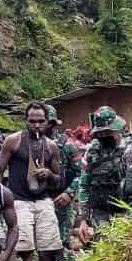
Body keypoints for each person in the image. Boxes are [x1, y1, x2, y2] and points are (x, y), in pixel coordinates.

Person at [0, 102, 63, 261]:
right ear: (25, 120)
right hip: (19, 202)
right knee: (25, 252)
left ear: (47, 122)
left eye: (41, 121)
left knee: (46, 252)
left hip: (44, 202)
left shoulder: (52, 147)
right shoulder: (13, 141)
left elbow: (58, 180)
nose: (36, 125)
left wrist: (49, 174)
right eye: (32, 121)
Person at [76, 107, 127, 241]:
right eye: (101, 133)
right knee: (104, 246)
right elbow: (84, 185)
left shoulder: (130, 149)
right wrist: (83, 220)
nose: (104, 136)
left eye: (108, 132)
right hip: (100, 211)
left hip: (126, 210)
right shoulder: (92, 152)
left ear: (117, 129)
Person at [46, 105, 83, 250]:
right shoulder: (29, 146)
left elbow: (81, 174)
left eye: (48, 122)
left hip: (61, 200)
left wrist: (69, 193)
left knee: (62, 245)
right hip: (38, 201)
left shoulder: (68, 146)